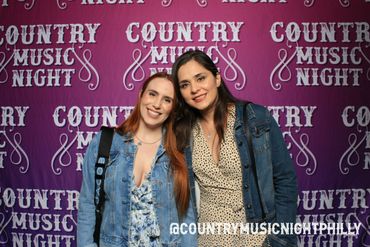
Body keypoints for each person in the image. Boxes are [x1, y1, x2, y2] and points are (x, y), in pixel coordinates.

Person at [172, 50, 298, 247]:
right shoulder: (183, 131)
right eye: (185, 85)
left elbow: (285, 180)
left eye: (200, 78)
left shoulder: (255, 118)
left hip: (257, 239)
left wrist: (280, 237)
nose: (194, 89)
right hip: (210, 239)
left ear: (217, 78)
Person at [77, 72, 197, 247]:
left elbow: (187, 218)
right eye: (152, 94)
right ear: (141, 95)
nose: (157, 104)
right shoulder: (105, 142)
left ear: (173, 108)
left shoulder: (179, 151)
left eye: (167, 100)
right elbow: (87, 203)